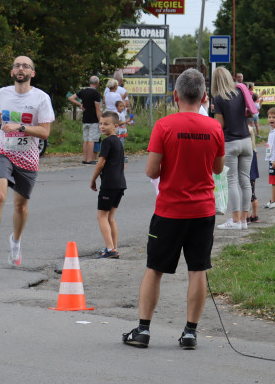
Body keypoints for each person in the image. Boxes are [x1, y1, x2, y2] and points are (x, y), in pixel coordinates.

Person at [122, 68, 224, 351]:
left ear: (176, 95)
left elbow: (151, 170)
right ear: (204, 96)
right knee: (198, 270)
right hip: (203, 211)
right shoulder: (215, 127)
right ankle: (190, 333)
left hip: (169, 211)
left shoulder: (164, 126)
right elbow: (217, 168)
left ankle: (143, 330)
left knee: (154, 269)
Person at [0, 56, 54, 266]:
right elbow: (1, 117)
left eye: (26, 66)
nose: (21, 69)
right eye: (17, 66)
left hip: (28, 156)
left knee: (20, 207)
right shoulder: (3, 93)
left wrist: (20, 127)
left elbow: (45, 132)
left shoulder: (41, 98)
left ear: (32, 73)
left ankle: (15, 242)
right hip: (3, 150)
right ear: (12, 72)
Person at [211, 66, 254, 230]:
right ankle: (244, 219)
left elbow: (220, 124)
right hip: (246, 140)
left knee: (232, 181)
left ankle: (235, 220)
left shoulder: (219, 98)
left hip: (230, 142)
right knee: (245, 180)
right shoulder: (240, 92)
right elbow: (249, 112)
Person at [89, 111, 126, 259]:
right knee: (110, 217)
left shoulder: (107, 142)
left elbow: (101, 163)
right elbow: (123, 165)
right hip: (120, 184)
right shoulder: (118, 141)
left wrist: (93, 180)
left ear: (115, 126)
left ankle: (110, 249)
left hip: (109, 184)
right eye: (101, 123)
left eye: (106, 124)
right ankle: (114, 248)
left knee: (101, 216)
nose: (102, 126)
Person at [68, 76, 102, 164]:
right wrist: (100, 120)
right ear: (97, 83)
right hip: (94, 119)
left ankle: (85, 158)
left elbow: (71, 98)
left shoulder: (83, 91)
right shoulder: (96, 94)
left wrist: (80, 104)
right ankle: (90, 159)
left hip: (85, 118)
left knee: (86, 139)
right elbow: (97, 108)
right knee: (92, 139)